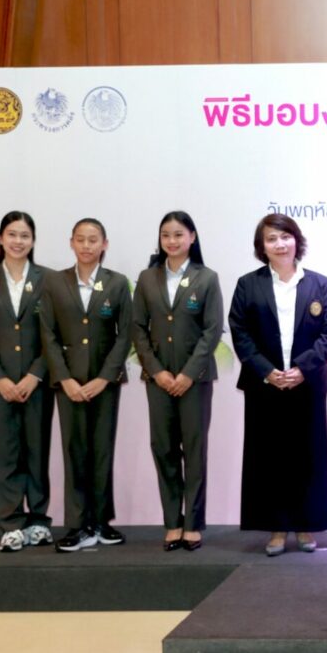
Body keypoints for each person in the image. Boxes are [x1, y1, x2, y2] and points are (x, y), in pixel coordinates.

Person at [228, 213, 327, 556]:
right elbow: (240, 332)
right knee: (269, 458)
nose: (280, 244)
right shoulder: (248, 285)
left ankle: (305, 525)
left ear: (296, 240)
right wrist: (267, 370)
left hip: (307, 384)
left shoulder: (320, 284)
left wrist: (303, 368)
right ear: (262, 247)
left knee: (308, 456)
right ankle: (276, 528)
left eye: (285, 236)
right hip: (266, 385)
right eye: (271, 239)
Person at [132, 211, 224, 552]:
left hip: (194, 380)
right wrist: (157, 371)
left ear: (192, 237)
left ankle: (193, 524)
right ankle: (172, 522)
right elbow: (137, 328)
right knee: (164, 448)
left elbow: (212, 330)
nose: (172, 241)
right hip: (158, 379)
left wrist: (188, 373)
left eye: (178, 234)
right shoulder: (147, 278)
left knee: (194, 450)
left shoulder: (207, 277)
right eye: (166, 235)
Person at [40, 218, 133, 552]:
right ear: (71, 243)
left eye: (93, 240)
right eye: (80, 239)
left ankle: (101, 521)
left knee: (102, 450)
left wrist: (104, 377)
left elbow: (125, 335)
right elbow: (47, 333)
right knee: (74, 452)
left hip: (104, 382)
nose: (86, 246)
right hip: (68, 384)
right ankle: (78, 524)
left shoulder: (117, 283)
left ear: (104, 244)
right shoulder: (54, 282)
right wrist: (64, 378)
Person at [0, 212, 55, 552]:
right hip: (0, 384)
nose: (18, 241)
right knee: (5, 454)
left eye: (24, 235)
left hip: (38, 383)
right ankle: (10, 523)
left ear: (33, 241)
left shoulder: (48, 279)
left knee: (37, 452)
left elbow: (53, 333)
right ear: (0, 239)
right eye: (12, 234)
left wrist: (35, 374)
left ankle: (38, 520)